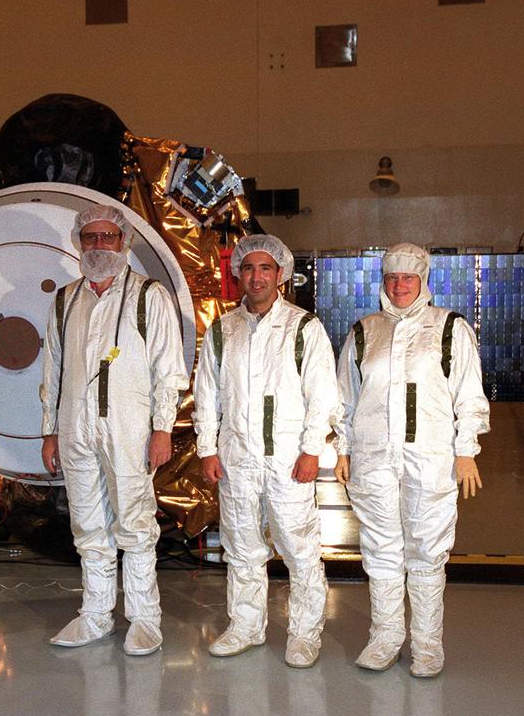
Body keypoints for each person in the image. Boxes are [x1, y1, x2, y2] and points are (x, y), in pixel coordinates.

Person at [334, 242, 490, 677]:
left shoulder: (449, 328)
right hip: (373, 460)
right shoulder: (365, 331)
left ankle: (426, 644)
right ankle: (385, 637)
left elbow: (469, 395)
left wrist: (466, 453)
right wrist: (343, 448)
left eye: (408, 278)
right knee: (381, 551)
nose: (399, 286)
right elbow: (344, 398)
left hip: (431, 459)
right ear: (382, 282)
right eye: (391, 278)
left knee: (426, 551)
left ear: (423, 280)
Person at [40, 203, 189, 656]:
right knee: (88, 524)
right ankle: (96, 614)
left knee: (135, 524)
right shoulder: (66, 300)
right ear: (79, 243)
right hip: (75, 428)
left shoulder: (149, 296)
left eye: (108, 237)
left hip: (129, 429)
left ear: (123, 242)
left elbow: (170, 370)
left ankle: (144, 619)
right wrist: (50, 431)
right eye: (91, 238)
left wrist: (162, 428)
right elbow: (53, 370)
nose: (99, 245)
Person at [193, 234, 340, 668]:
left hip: (287, 461)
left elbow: (322, 395)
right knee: (241, 548)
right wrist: (207, 447)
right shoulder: (224, 329)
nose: (256, 277)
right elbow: (207, 394)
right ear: (237, 274)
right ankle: (246, 626)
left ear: (281, 275)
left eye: (266, 268)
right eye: (248, 268)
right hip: (236, 458)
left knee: (299, 549)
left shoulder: (303, 327)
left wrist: (312, 450)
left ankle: (304, 634)